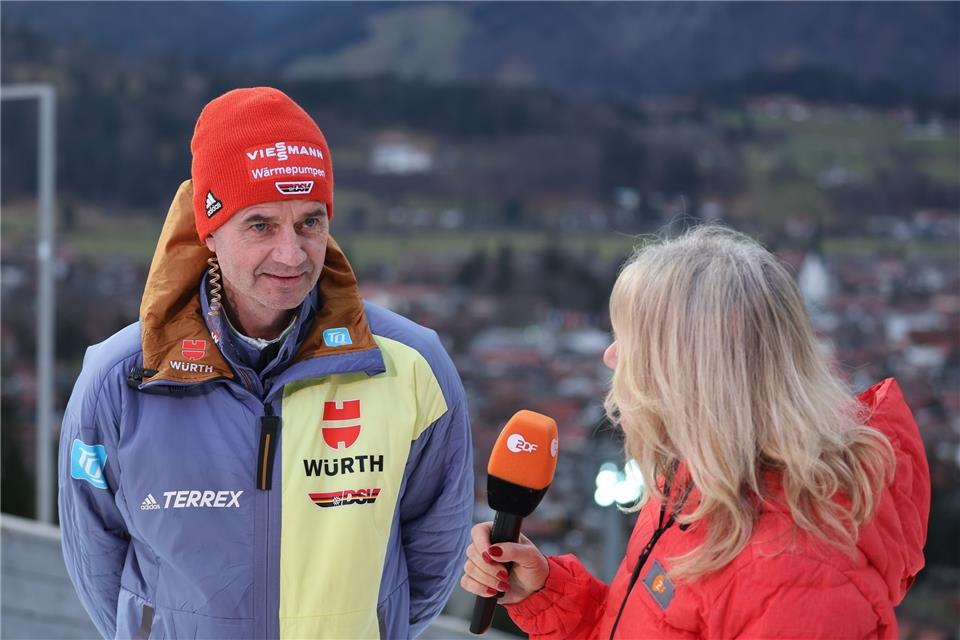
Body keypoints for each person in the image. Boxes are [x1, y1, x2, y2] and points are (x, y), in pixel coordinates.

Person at [59, 87, 473, 640]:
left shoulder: (409, 366)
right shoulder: (123, 380)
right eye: (260, 225)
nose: (291, 253)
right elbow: (96, 559)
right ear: (210, 231)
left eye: (310, 222)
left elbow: (435, 551)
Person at [462, 226, 930, 638]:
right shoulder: (694, 489)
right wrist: (546, 593)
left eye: (631, 342)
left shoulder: (801, 577)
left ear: (690, 372)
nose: (610, 357)